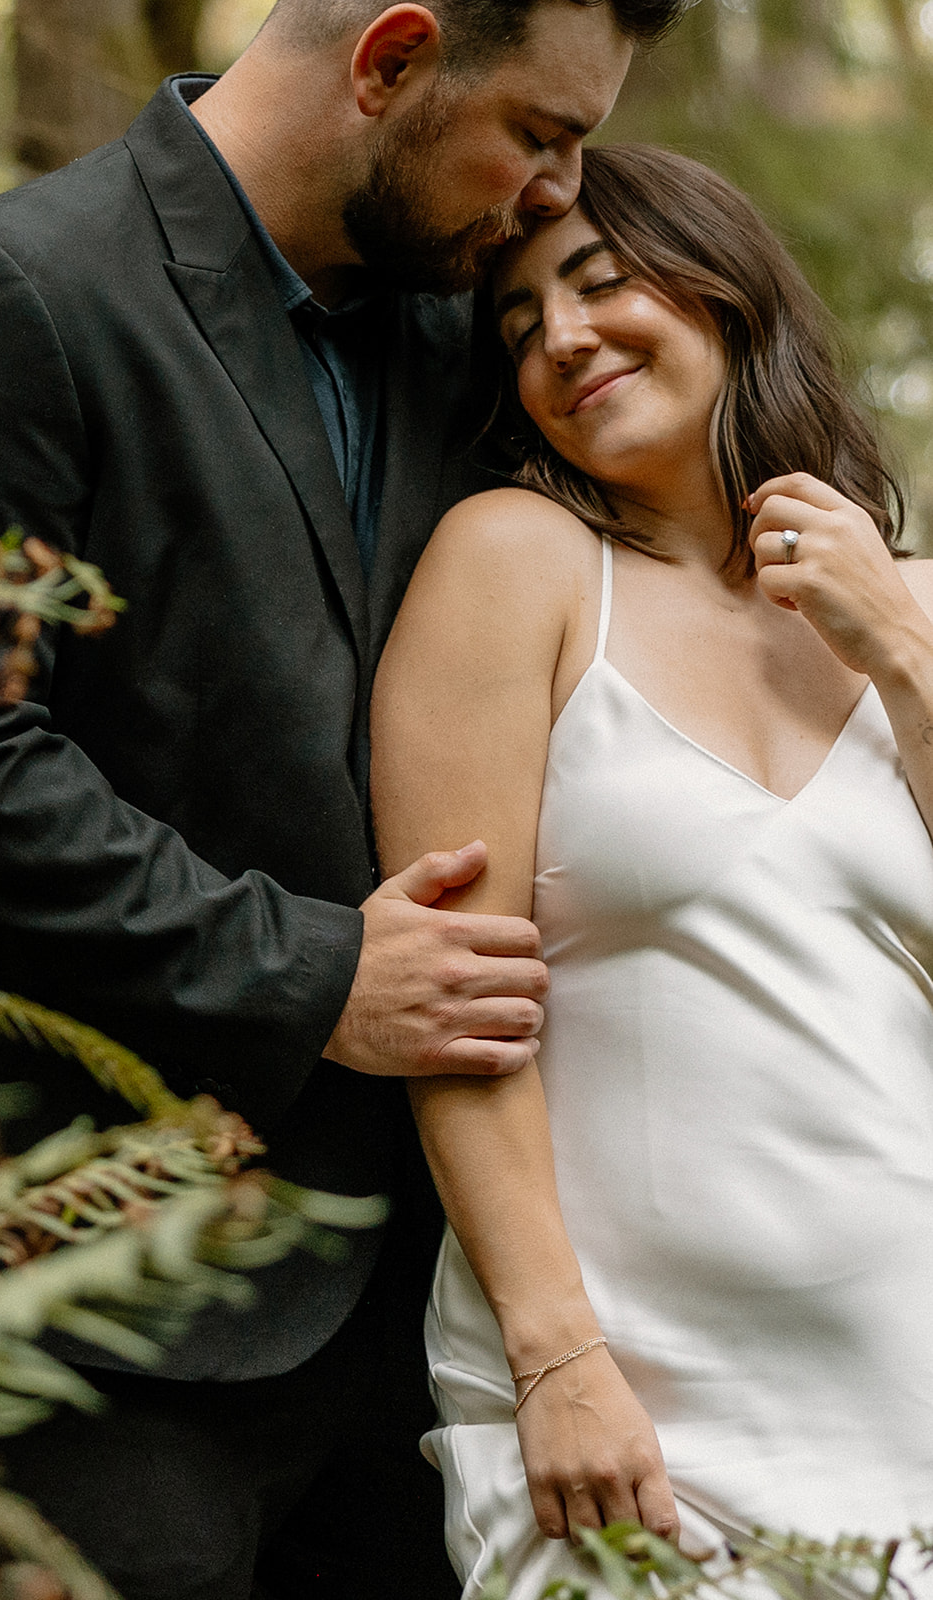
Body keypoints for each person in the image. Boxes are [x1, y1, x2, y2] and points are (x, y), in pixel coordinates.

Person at [0, 3, 688, 1596]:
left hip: (421, 1314)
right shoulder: (15, 291)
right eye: (539, 131)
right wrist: (310, 973)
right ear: (389, 63)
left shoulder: (467, 330)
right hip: (97, 1302)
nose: (553, 192)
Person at [371, 143, 933, 1600]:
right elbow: (454, 1004)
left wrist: (903, 648)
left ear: (729, 292)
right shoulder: (518, 565)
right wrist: (557, 1355)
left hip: (906, 1391)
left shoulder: (906, 606)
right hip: (622, 1423)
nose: (562, 337)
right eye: (518, 324)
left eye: (601, 283)